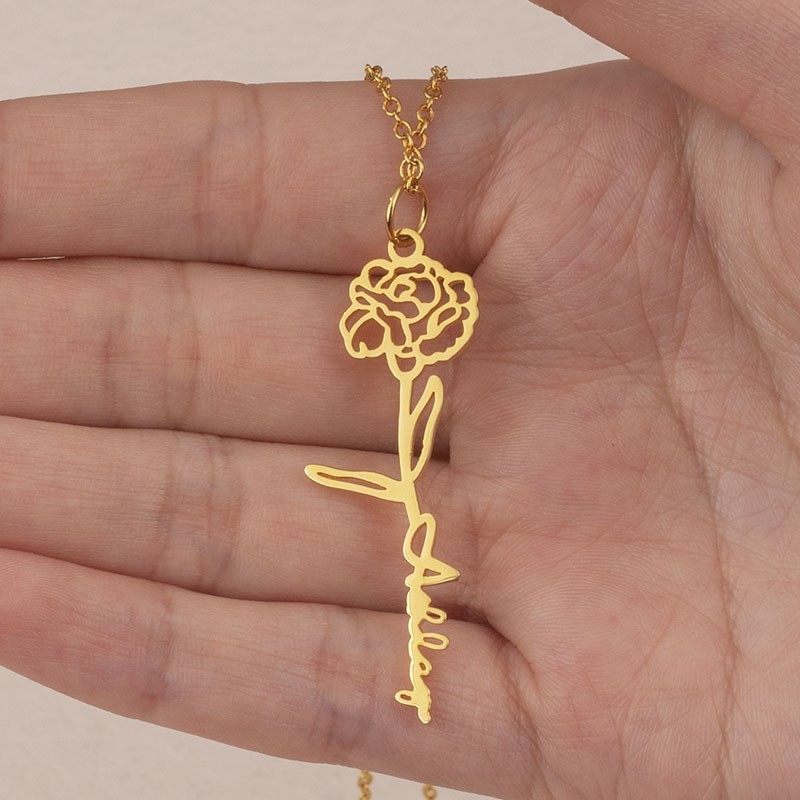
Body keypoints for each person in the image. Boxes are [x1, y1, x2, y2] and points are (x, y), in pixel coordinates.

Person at [1, 0, 798, 797]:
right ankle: (406, 708)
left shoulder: (438, 309)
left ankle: (411, 692)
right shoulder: (394, 304)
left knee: (410, 479)